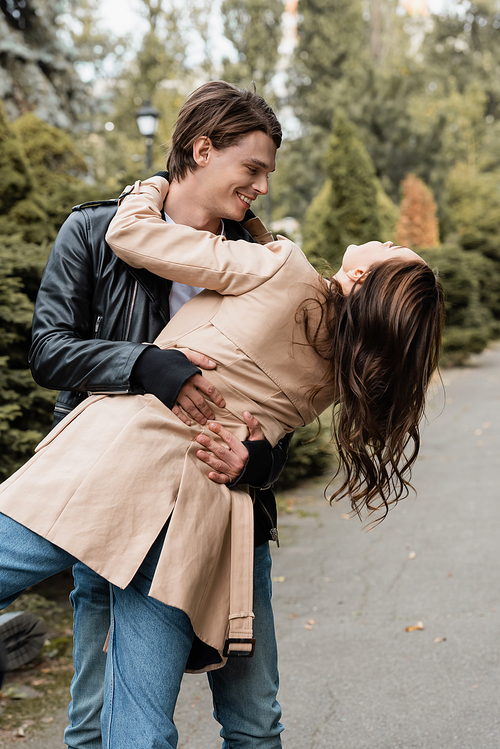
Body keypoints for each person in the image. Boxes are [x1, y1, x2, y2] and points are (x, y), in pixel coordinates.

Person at [0, 170, 444, 748]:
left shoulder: (282, 266)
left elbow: (134, 236)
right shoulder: (341, 370)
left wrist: (150, 186)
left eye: (389, 248)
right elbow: (262, 429)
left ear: (360, 273)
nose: (261, 182)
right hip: (198, 510)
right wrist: (252, 463)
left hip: (118, 461)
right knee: (140, 718)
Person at [26, 81, 290, 748]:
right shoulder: (93, 230)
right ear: (203, 149)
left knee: (255, 721)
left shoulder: (259, 264)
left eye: (266, 173)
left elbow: (284, 399)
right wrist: (144, 364)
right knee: (96, 720)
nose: (261, 186)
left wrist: (260, 459)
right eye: (251, 168)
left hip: (227, 516)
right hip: (108, 503)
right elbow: (50, 350)